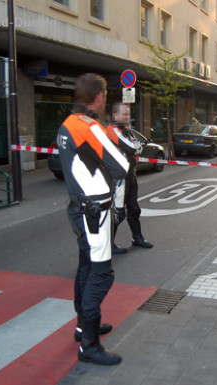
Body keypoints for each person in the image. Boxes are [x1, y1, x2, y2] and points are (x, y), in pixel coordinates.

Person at [57, 73, 130, 366]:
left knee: (86, 267)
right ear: (98, 97)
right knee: (101, 273)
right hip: (94, 212)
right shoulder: (90, 127)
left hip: (78, 207)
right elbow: (122, 165)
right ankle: (89, 346)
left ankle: (82, 327)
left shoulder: (66, 125)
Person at [107, 103, 153, 253]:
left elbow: (139, 148)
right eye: (124, 114)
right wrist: (134, 147)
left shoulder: (127, 131)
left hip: (130, 174)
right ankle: (108, 244)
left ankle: (137, 238)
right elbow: (133, 148)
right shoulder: (112, 130)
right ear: (115, 115)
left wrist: (134, 147)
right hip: (118, 177)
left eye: (128, 114)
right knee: (118, 212)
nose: (127, 117)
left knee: (134, 208)